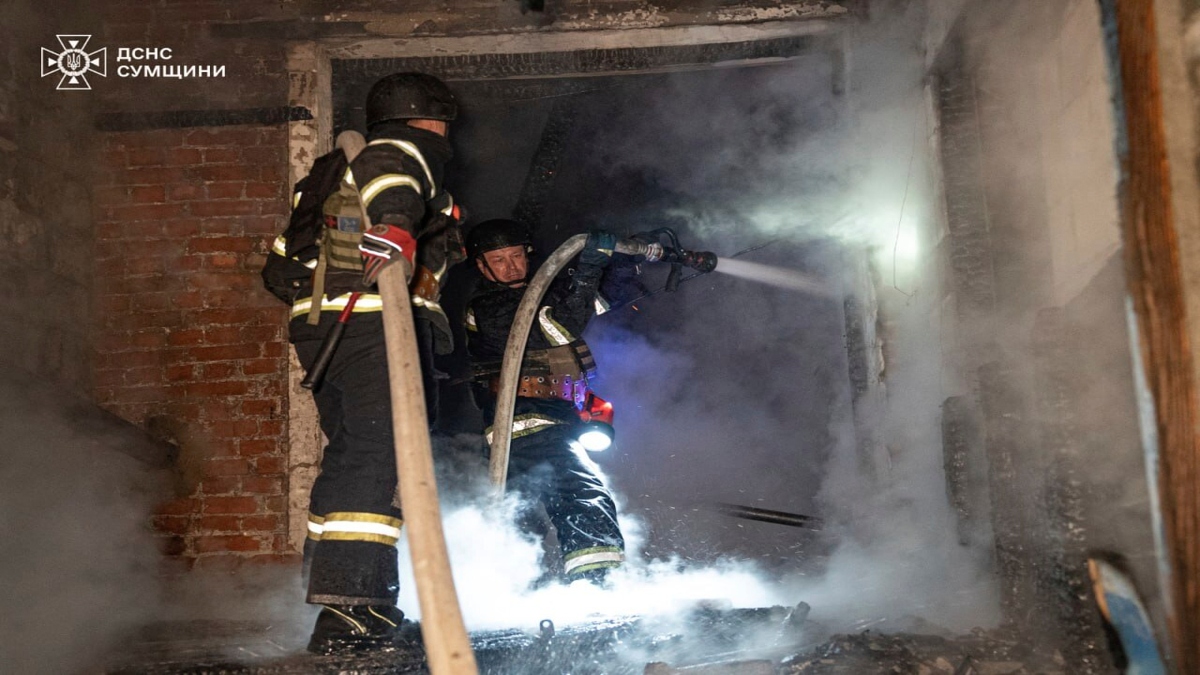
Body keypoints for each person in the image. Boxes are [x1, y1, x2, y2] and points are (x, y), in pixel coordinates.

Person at [260, 72, 463, 654]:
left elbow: (278, 273)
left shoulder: (325, 177)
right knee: (382, 450)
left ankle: (331, 590)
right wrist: (399, 227)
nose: (444, 133)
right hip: (373, 319)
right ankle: (354, 607)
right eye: (443, 124)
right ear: (430, 118)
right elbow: (394, 182)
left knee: (352, 451)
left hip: (325, 327)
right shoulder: (401, 149)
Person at [462, 219, 643, 586]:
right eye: (499, 260)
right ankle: (599, 584)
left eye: (516, 256)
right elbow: (560, 327)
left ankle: (518, 593)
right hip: (528, 421)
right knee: (580, 493)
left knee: (521, 516)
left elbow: (595, 300)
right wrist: (589, 264)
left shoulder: (536, 297)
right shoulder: (489, 307)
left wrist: (629, 261)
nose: (512, 266)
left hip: (549, 421)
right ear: (481, 266)